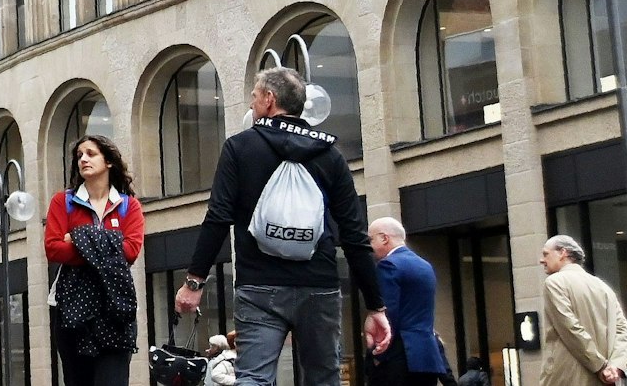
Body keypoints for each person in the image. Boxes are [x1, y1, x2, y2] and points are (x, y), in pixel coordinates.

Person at [175, 67, 391, 386]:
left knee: (253, 378)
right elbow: (355, 237)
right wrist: (375, 306)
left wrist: (194, 282)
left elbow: (218, 218)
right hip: (319, 285)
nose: (251, 106)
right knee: (323, 379)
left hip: (258, 284)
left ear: (269, 100)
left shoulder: (239, 148)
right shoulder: (330, 155)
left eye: (253, 97)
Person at [44, 134, 145, 386]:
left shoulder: (128, 206)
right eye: (79, 156)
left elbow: (130, 251)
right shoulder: (63, 202)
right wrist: (109, 242)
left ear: (108, 161)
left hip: (115, 310)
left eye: (90, 154)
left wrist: (77, 237)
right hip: (70, 310)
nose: (83, 159)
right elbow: (54, 249)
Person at [537, 235, 627, 386]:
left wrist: (600, 367)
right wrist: (614, 366)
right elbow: (623, 331)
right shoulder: (604, 288)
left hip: (567, 378)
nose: (542, 260)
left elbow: (570, 329)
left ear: (563, 253)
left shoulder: (554, 283)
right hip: (606, 381)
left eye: (545, 254)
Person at [369, 218, 449, 386]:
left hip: (398, 358)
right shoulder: (425, 265)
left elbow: (388, 313)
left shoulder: (388, 265)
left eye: (371, 239)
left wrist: (378, 356)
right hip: (426, 356)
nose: (370, 245)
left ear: (385, 238)